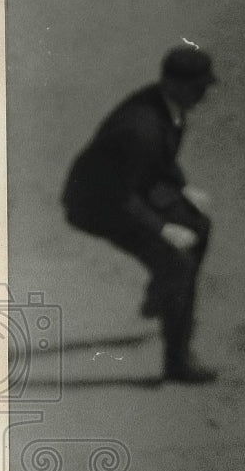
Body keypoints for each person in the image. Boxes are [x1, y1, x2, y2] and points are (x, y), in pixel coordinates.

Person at [62, 45, 218, 383]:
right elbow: (119, 196)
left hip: (134, 183)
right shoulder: (139, 127)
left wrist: (183, 189)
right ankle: (177, 362)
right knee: (177, 262)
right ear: (173, 84)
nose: (203, 95)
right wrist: (163, 229)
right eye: (198, 88)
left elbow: (161, 158)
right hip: (98, 203)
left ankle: (162, 293)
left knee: (199, 227)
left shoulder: (167, 104)